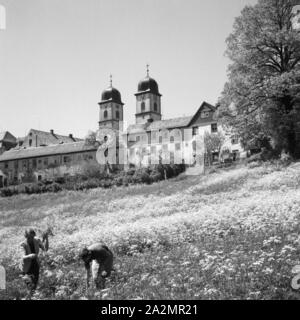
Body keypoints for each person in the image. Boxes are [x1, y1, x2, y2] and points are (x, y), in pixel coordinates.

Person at [20, 228, 49, 292]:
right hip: (26, 268)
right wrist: (29, 256)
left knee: (34, 285)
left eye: (32, 237)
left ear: (33, 235)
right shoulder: (23, 244)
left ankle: (33, 296)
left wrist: (46, 238)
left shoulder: (37, 240)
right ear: (26, 236)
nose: (30, 239)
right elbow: (23, 256)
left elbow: (45, 249)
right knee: (30, 286)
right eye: (28, 237)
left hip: (36, 265)